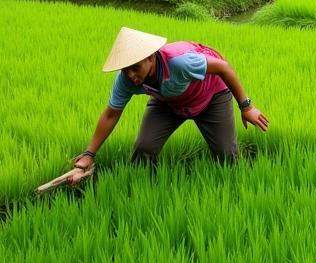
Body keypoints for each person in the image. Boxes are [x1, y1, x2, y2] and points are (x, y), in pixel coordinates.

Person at [67, 27, 269, 182]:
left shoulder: (180, 61)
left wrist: (247, 107)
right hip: (169, 102)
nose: (131, 75)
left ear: (150, 58)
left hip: (211, 96)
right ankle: (142, 189)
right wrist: (89, 154)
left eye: (135, 68)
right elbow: (111, 114)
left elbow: (224, 68)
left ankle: (233, 187)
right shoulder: (126, 79)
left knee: (226, 157)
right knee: (144, 148)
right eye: (125, 69)